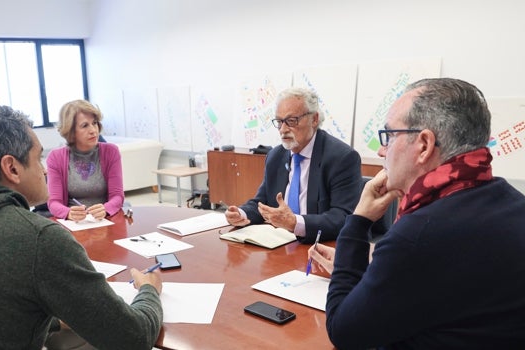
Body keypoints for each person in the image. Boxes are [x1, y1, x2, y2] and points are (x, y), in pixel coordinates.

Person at [0, 104, 163, 349]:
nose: (45, 170)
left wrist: (56, 316)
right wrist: (149, 289)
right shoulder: (40, 238)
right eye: (38, 159)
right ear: (12, 168)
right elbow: (134, 338)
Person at [310, 78, 525, 348]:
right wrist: (366, 261)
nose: (381, 150)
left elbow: (344, 332)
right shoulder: (511, 202)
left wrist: (358, 222)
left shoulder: (420, 234)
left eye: (389, 136)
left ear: (424, 145)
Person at [224, 87, 363, 243]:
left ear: (314, 119)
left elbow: (343, 217)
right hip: (279, 243)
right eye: (279, 121)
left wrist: (295, 223)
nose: (283, 130)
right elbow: (262, 202)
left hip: (320, 245)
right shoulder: (275, 156)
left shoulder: (341, 158)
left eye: (291, 121)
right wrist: (241, 214)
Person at [47, 100, 124, 221]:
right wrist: (68, 213)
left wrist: (106, 209)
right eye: (85, 125)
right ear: (71, 131)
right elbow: (54, 203)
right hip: (74, 223)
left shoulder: (111, 151)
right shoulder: (55, 157)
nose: (93, 130)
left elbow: (117, 196)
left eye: (94, 123)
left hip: (105, 219)